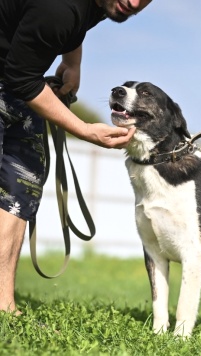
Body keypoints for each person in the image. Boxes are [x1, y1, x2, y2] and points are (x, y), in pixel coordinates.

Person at [0, 0, 152, 314]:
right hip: (18, 81)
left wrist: (72, 61)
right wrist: (84, 129)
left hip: (18, 89)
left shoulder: (102, 6)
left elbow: (74, 25)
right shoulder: (59, 9)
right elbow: (21, 77)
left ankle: (3, 306)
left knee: (20, 190)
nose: (135, 2)